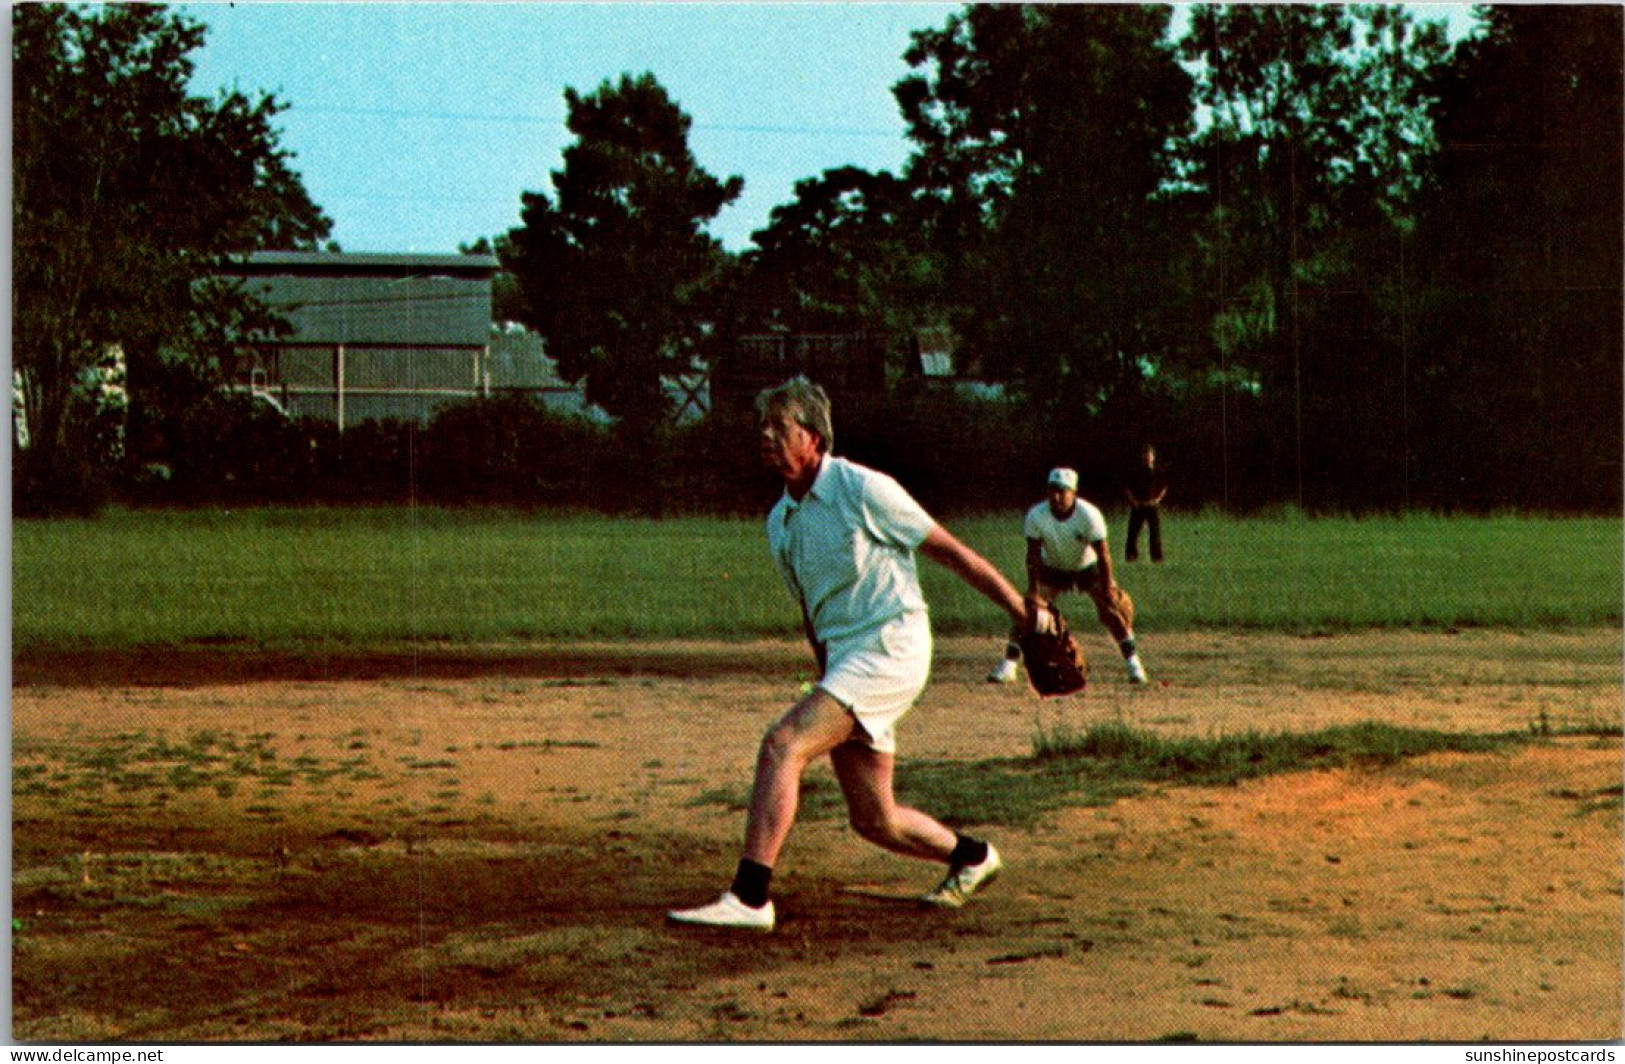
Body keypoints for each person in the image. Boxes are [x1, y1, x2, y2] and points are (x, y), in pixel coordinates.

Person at [668, 376, 1039, 932]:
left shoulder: (862, 488)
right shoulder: (781, 522)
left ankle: (749, 898)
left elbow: (951, 551)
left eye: (781, 427)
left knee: (783, 745)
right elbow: (813, 617)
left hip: (892, 643)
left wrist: (1023, 612)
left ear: (814, 438)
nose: (766, 436)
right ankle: (973, 857)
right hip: (849, 659)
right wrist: (827, 682)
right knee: (874, 818)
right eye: (763, 427)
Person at [987, 467, 1149, 686]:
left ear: (1073, 492)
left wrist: (1108, 585)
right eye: (1052, 490)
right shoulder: (1036, 515)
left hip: (1086, 568)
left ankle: (1134, 665)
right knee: (1027, 611)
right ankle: (1009, 665)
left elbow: (1103, 553)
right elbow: (1033, 556)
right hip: (1052, 568)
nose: (1056, 496)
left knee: (1113, 609)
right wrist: (1033, 592)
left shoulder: (1088, 514)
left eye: (1062, 491)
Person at [1125, 443, 1167, 563]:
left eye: (1149, 455)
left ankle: (1157, 557)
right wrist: (1134, 501)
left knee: (1155, 533)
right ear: (1142, 457)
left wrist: (1157, 500)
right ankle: (1131, 556)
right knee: (1133, 533)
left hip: (1152, 506)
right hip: (1138, 505)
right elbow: (1128, 488)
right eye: (1145, 455)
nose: (1147, 457)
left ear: (1153, 457)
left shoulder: (1158, 471)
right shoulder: (1135, 472)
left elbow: (1164, 487)